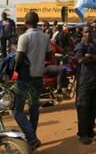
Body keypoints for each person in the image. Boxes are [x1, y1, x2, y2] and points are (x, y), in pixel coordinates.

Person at [14, 11, 51, 150]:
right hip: (38, 76)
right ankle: (32, 137)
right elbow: (48, 55)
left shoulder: (24, 37)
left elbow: (18, 58)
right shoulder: (45, 36)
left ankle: (31, 137)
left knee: (17, 110)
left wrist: (13, 67)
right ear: (37, 21)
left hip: (25, 78)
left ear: (26, 22)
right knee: (34, 108)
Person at [74, 25, 96, 144]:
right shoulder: (80, 46)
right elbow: (81, 60)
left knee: (93, 107)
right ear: (83, 33)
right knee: (83, 107)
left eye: (90, 32)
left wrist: (91, 56)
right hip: (85, 81)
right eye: (86, 32)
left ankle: (90, 131)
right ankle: (83, 134)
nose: (88, 34)